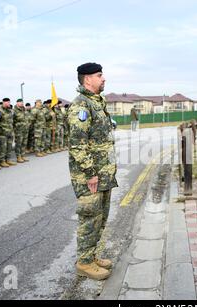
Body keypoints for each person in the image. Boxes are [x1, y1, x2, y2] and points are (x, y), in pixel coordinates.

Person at [68, 62, 118, 280]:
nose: (104, 78)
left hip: (104, 172)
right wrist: (90, 173)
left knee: (100, 218)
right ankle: (84, 263)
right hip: (91, 176)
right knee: (90, 219)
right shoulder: (81, 105)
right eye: (99, 75)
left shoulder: (97, 102)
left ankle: (91, 255)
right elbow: (78, 145)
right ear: (87, 79)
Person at [0, 98, 16, 167]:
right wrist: (0, 131)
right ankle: (2, 161)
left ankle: (8, 160)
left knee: (9, 147)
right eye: (7, 102)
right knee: (3, 148)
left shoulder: (9, 111)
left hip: (10, 132)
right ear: (3, 103)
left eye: (9, 102)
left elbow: (12, 121)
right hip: (2, 133)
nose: (9, 103)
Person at [13, 99, 29, 163]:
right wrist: (17, 126)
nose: (21, 103)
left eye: (22, 102)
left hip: (25, 129)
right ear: (17, 103)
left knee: (24, 143)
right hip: (18, 130)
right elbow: (12, 121)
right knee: (18, 144)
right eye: (20, 102)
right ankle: (18, 157)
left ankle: (23, 155)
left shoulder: (24, 110)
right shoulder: (14, 111)